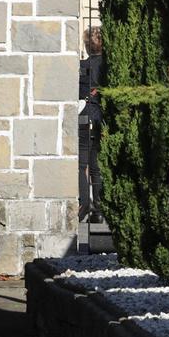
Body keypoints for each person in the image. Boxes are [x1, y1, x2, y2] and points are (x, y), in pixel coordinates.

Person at [77, 25, 105, 223]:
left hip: (84, 116)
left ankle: (84, 203)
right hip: (100, 117)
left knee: (81, 165)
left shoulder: (82, 66)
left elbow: (78, 93)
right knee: (96, 166)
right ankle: (98, 208)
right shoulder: (107, 66)